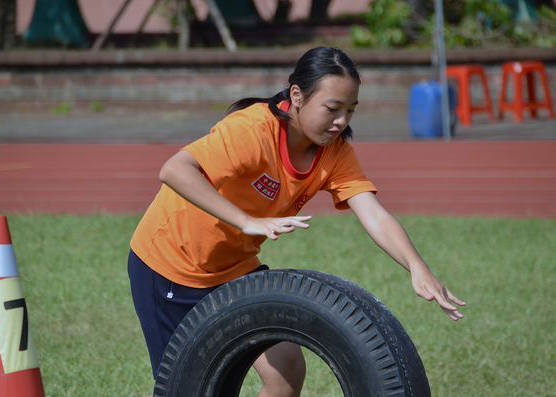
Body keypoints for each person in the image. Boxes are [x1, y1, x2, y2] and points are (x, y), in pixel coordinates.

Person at [128, 46, 465, 397]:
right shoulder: (253, 128)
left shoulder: (335, 153)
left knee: (286, 370)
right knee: (188, 386)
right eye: (332, 109)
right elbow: (175, 170)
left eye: (350, 111)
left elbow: (374, 213)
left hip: (233, 266)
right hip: (170, 266)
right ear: (297, 95)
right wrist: (245, 221)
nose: (341, 122)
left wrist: (416, 266)